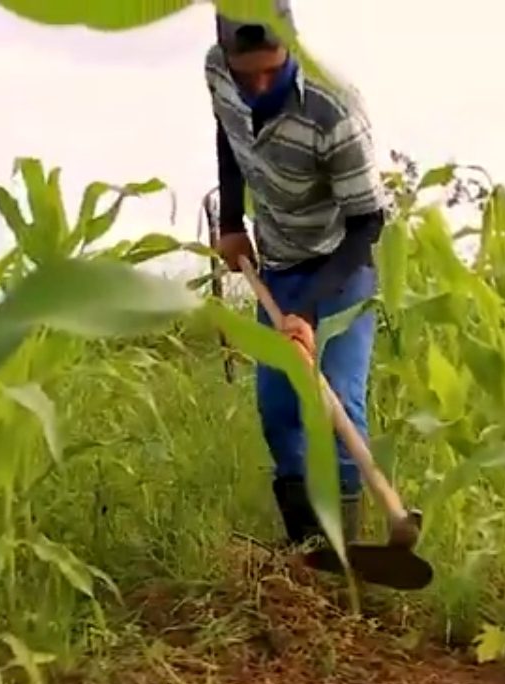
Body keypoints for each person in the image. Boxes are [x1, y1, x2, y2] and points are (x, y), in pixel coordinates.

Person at [207, 2, 388, 548]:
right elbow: (228, 131)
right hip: (278, 264)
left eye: (272, 68)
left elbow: (367, 223)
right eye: (248, 72)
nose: (260, 84)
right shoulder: (219, 71)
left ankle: (348, 558)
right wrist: (234, 221)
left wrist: (308, 311)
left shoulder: (335, 109)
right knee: (280, 410)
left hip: (340, 266)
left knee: (338, 410)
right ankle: (308, 550)